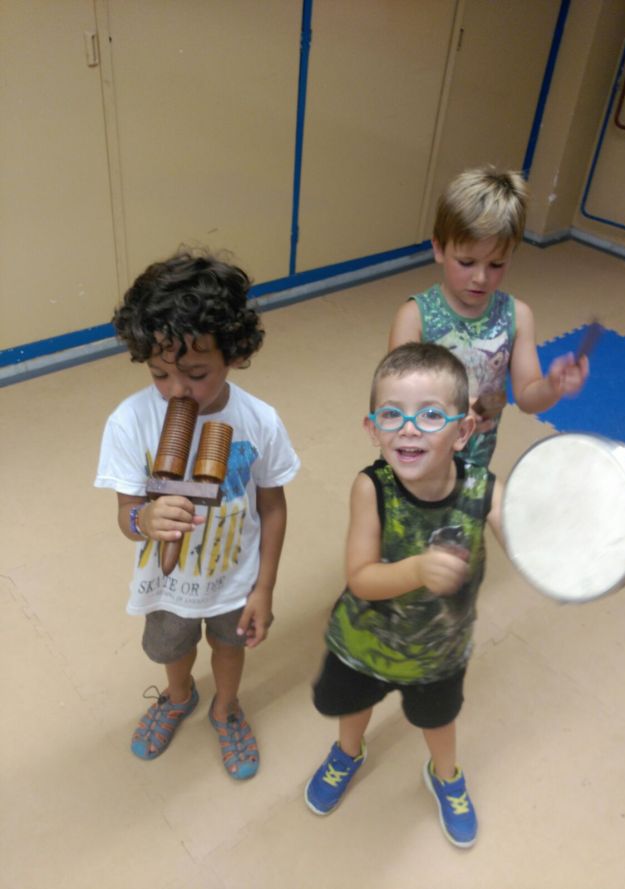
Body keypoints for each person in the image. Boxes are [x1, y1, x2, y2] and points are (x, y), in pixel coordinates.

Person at [95, 249, 300, 779]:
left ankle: (226, 707)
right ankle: (179, 694)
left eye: (195, 373)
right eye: (160, 374)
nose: (176, 391)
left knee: (230, 647)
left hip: (235, 578)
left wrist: (265, 587)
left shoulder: (259, 421)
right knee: (174, 647)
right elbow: (126, 513)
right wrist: (144, 521)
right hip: (167, 583)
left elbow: (273, 506)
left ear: (234, 354)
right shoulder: (129, 422)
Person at [305, 341, 505, 848]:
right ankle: (348, 753)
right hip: (365, 641)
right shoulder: (371, 488)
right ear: (373, 429)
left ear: (463, 432)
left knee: (439, 720)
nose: (409, 428)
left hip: (439, 652)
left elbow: (530, 543)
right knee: (354, 706)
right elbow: (361, 578)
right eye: (392, 414)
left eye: (431, 415)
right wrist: (417, 569)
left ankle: (445, 775)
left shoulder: (485, 489)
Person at [388, 166, 588, 467]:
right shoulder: (414, 317)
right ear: (439, 248)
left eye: (496, 265)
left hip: (474, 462)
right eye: (466, 262)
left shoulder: (517, 316)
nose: (481, 278)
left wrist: (553, 385)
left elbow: (527, 397)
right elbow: (396, 396)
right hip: (415, 460)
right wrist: (452, 410)